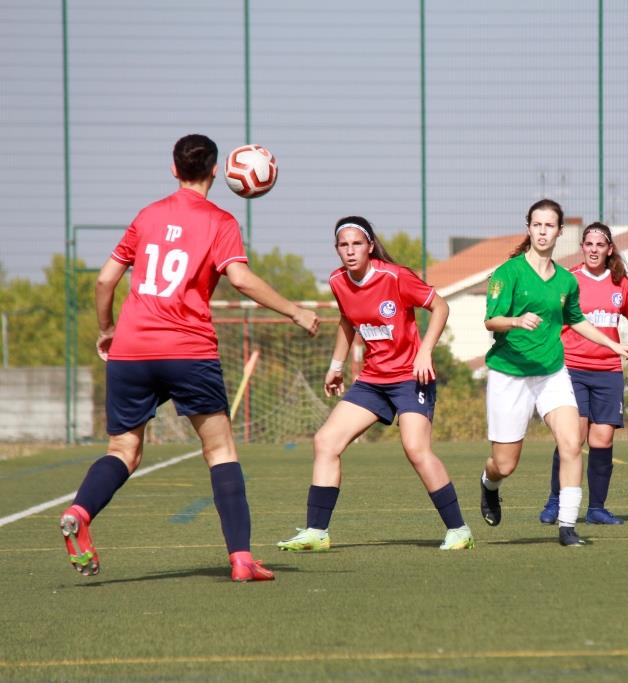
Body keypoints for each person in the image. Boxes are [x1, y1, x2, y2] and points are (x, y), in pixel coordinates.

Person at [60, 133, 320, 582]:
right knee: (219, 449)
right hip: (188, 348)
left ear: (173, 168)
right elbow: (239, 278)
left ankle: (81, 512)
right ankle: (241, 559)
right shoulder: (220, 221)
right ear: (217, 172)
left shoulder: (147, 216)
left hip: (131, 348)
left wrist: (107, 330)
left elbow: (105, 281)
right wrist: (295, 309)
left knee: (123, 449)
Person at [276, 216, 474, 553]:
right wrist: (335, 366)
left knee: (415, 448)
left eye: (356, 244)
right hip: (372, 380)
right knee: (326, 441)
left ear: (369, 246)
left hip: (412, 377)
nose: (350, 251)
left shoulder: (394, 276)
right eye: (343, 245)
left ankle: (459, 530)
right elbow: (346, 322)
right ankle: (316, 531)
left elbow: (439, 306)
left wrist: (425, 351)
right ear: (336, 249)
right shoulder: (338, 281)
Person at [479, 199, 628, 547]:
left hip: (552, 373)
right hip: (510, 373)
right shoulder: (509, 272)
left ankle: (567, 526)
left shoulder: (566, 281)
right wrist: (516, 321)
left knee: (570, 442)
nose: (542, 231)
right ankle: (489, 485)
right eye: (537, 224)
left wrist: (614, 346)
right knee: (504, 464)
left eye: (549, 226)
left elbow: (577, 320)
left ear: (560, 232)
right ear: (529, 228)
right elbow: (491, 320)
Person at [537, 222, 628, 526]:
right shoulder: (568, 279)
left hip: (608, 372)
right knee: (573, 439)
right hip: (572, 369)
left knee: (602, 440)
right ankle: (555, 502)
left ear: (609, 249)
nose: (594, 250)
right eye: (589, 244)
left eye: (600, 245)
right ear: (582, 247)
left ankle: (597, 508)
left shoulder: (620, 283)